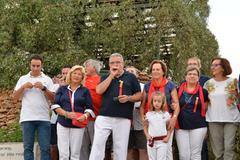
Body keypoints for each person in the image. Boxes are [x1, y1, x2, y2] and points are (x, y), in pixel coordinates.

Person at [89, 53, 142, 160]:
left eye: (118, 62)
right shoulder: (105, 77)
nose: (115, 65)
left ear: (122, 64)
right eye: (112, 63)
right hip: (104, 116)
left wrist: (128, 98)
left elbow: (139, 95)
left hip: (123, 117)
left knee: (120, 148)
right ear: (109, 65)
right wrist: (111, 76)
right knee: (97, 145)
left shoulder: (130, 77)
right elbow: (99, 90)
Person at [13, 54, 55, 160]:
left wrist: (44, 88)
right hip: (27, 118)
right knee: (27, 148)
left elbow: (53, 98)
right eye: (33, 66)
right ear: (30, 65)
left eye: (38, 66)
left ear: (42, 66)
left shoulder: (47, 79)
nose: (35, 68)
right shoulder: (23, 79)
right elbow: (14, 97)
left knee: (45, 148)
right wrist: (23, 87)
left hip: (43, 118)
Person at [51, 65, 95, 160]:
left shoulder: (85, 91)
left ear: (82, 77)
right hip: (62, 123)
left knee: (75, 154)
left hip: (78, 124)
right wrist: (66, 114)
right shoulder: (62, 89)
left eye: (79, 74)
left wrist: (85, 116)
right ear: (70, 75)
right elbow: (55, 105)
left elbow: (89, 108)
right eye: (75, 73)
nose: (76, 76)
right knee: (63, 154)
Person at [140, 60, 179, 160]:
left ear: (163, 71)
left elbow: (176, 104)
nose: (155, 71)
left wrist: (174, 118)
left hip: (165, 120)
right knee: (152, 149)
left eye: (158, 69)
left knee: (167, 148)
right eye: (153, 69)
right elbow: (142, 105)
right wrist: (143, 119)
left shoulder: (170, 85)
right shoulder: (147, 86)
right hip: (151, 120)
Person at [204, 57, 240, 160]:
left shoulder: (234, 82)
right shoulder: (208, 84)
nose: (213, 67)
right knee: (218, 152)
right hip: (213, 119)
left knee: (229, 148)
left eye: (216, 65)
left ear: (223, 68)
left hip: (231, 119)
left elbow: (238, 98)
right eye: (212, 65)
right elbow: (205, 102)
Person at [176, 66, 208, 160]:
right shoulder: (178, 90)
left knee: (196, 154)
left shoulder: (204, 92)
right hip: (181, 126)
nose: (192, 76)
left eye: (195, 74)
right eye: (189, 74)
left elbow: (206, 109)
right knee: (183, 155)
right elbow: (173, 105)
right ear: (185, 77)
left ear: (198, 77)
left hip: (199, 126)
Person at [186, 56, 210, 160]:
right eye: (190, 64)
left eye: (194, 64)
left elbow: (209, 104)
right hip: (186, 122)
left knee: (202, 149)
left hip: (201, 121)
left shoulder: (207, 81)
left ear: (199, 66)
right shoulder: (184, 83)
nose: (192, 66)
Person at [80, 59, 103, 160]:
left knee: (96, 146)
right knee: (82, 147)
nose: (84, 68)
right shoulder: (81, 79)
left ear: (94, 67)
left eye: (87, 65)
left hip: (96, 118)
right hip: (81, 118)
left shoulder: (101, 80)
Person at [126, 66, 148, 160]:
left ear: (137, 74)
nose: (130, 73)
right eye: (128, 71)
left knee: (143, 149)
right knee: (128, 149)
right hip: (126, 123)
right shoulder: (122, 86)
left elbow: (149, 102)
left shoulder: (143, 87)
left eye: (132, 71)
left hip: (140, 122)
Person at [50, 65, 71, 160]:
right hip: (55, 119)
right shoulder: (55, 87)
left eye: (67, 73)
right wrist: (60, 87)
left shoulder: (77, 87)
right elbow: (53, 102)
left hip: (71, 120)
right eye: (63, 73)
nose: (65, 75)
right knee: (54, 145)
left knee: (70, 146)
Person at [143, 91, 171, 160]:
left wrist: (168, 137)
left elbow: (169, 128)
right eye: (155, 101)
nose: (157, 103)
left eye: (159, 101)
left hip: (162, 142)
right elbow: (145, 126)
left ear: (162, 103)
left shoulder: (166, 114)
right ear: (152, 102)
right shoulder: (148, 114)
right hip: (151, 140)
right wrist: (147, 135)